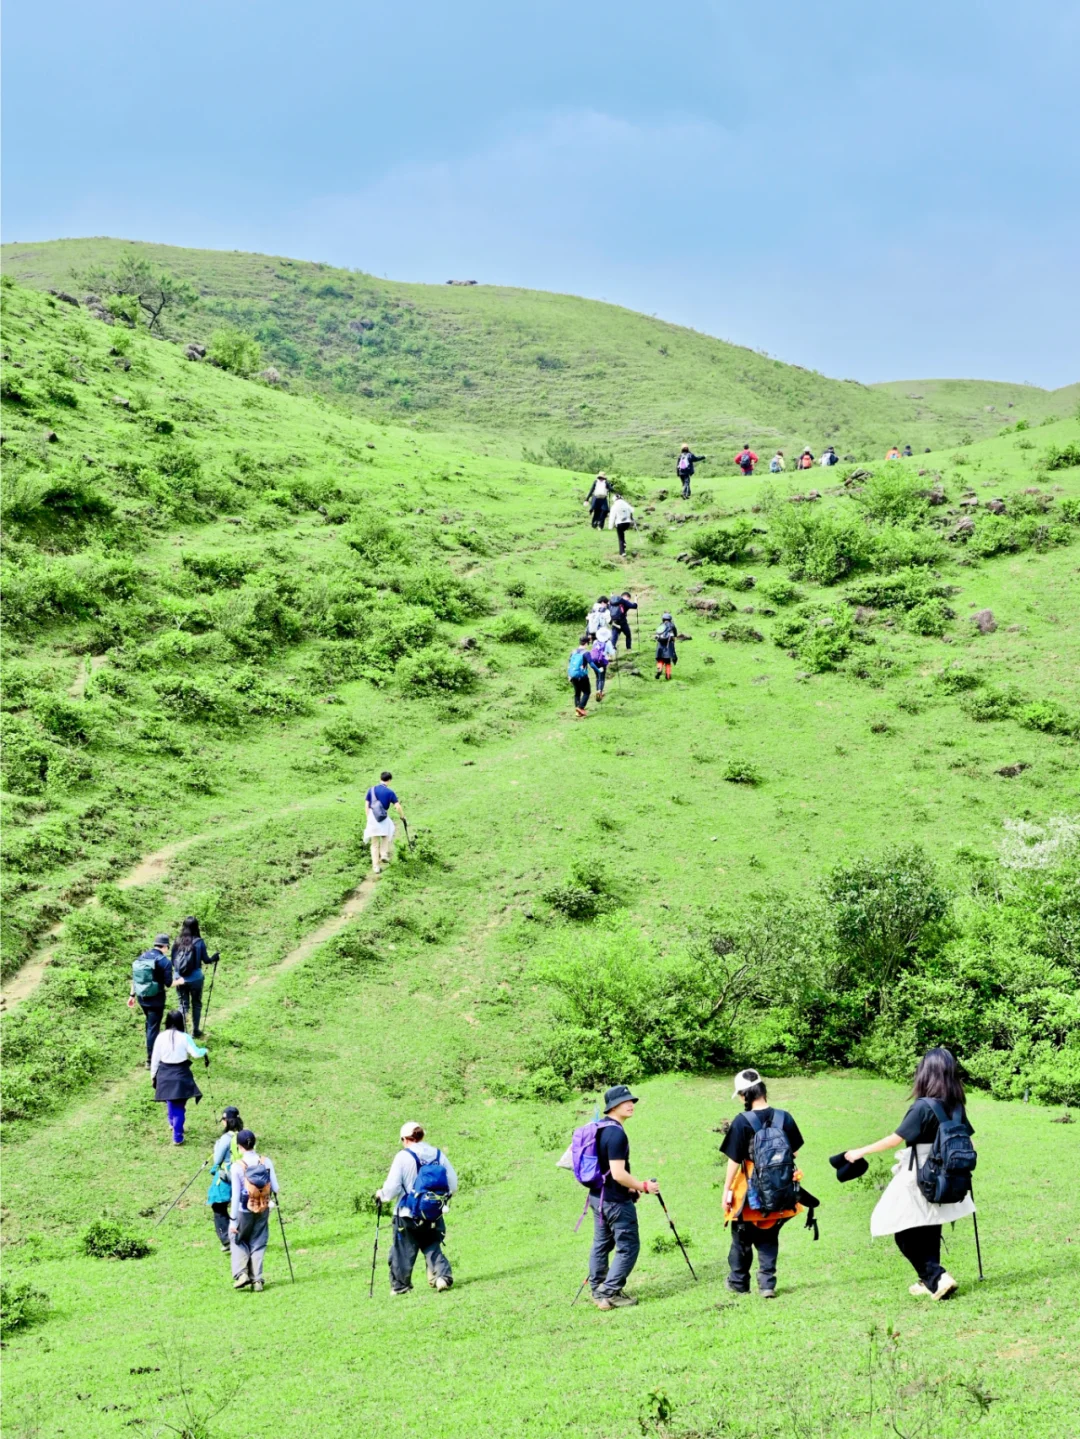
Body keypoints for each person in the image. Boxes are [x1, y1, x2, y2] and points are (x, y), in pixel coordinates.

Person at [843, 1047, 975, 1301]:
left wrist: (859, 1151)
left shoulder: (923, 1107)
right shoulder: (957, 1106)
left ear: (926, 1073)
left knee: (900, 1229)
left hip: (920, 1171)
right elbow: (967, 1139)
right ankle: (929, 1281)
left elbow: (895, 1139)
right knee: (929, 1224)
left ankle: (937, 1277)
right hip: (950, 1171)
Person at [720, 1069, 805, 1298]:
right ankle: (767, 1285)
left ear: (744, 1095)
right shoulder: (784, 1117)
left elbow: (734, 1160)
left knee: (741, 1238)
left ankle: (739, 1283)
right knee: (769, 1237)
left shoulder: (741, 1121)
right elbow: (794, 1151)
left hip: (749, 1191)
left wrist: (726, 1190)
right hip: (778, 1190)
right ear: (763, 1090)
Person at [587, 1085, 658, 1310]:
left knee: (601, 1244)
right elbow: (618, 1173)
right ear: (612, 1106)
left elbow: (609, 1172)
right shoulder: (616, 1133)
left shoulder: (598, 1128)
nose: (630, 1104)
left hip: (597, 1197)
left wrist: (630, 1187)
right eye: (624, 1101)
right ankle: (609, 1294)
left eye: (632, 1101)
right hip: (615, 1202)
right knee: (628, 1246)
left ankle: (598, 1290)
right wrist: (643, 1186)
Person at [376, 1121, 458, 1295]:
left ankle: (400, 1287)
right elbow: (453, 1184)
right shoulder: (438, 1154)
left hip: (407, 1213)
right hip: (432, 1213)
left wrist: (381, 1195)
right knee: (431, 1244)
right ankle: (442, 1276)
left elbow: (392, 1188)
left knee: (403, 1250)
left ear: (405, 1139)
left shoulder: (403, 1156)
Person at [229, 1129, 279, 1292]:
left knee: (237, 1238)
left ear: (239, 1147)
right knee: (258, 1241)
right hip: (263, 1208)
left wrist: (233, 1220)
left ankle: (241, 1273)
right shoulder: (266, 1161)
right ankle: (257, 1281)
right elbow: (276, 1188)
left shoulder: (237, 1167)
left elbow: (235, 1196)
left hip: (244, 1210)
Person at [150, 1009, 208, 1146]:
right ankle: (177, 1136)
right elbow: (195, 1053)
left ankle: (171, 1122)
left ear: (167, 1022)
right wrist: (204, 1050)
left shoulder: (160, 1037)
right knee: (179, 1107)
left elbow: (155, 1059)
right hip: (181, 1074)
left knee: (171, 1100)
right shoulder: (185, 1037)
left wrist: (153, 1075)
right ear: (181, 1022)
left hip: (164, 1073)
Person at [128, 934, 173, 1067]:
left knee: (150, 1024)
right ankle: (151, 1060)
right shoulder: (165, 961)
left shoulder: (142, 957)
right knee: (153, 1028)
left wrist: (131, 996)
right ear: (165, 946)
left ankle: (153, 1053)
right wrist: (181, 981)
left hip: (142, 998)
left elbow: (136, 978)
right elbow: (169, 983)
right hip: (156, 1000)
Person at [207, 1106, 244, 1251]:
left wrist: (217, 1147)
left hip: (225, 1177)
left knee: (218, 1206)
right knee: (236, 1207)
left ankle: (227, 1239)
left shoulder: (226, 1138)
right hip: (241, 1176)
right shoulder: (243, 1135)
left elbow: (217, 1159)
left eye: (223, 1119)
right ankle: (238, 1237)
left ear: (227, 1121)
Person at [171, 916, 210, 1038]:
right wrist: (215, 957)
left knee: (183, 1005)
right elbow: (206, 960)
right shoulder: (199, 942)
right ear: (196, 927)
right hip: (196, 979)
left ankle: (180, 1032)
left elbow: (173, 961)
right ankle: (196, 1031)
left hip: (179, 979)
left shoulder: (177, 941)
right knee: (196, 1004)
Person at [364, 771, 405, 876]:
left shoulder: (371, 790)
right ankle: (383, 854)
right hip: (382, 818)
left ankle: (376, 867)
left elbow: (366, 805)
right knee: (386, 836)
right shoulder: (390, 792)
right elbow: (398, 806)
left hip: (372, 818)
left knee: (374, 844)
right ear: (389, 780)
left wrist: (369, 818)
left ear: (380, 778)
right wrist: (402, 816)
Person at [568, 636, 593, 717]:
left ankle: (577, 711)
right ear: (586, 643)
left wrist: (569, 674)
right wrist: (598, 671)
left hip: (572, 675)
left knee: (577, 693)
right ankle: (580, 707)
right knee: (587, 692)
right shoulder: (586, 653)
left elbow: (570, 663)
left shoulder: (573, 651)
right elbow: (591, 664)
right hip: (582, 676)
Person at [588, 631, 611, 703]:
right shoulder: (607, 643)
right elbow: (608, 654)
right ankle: (600, 691)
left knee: (597, 677)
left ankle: (597, 690)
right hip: (601, 662)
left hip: (594, 661)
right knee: (602, 678)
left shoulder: (595, 642)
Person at [655, 612, 677, 680]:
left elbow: (657, 634)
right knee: (667, 661)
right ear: (670, 619)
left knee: (660, 659)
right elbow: (675, 634)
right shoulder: (672, 625)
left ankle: (660, 669)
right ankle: (668, 676)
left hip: (660, 645)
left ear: (663, 619)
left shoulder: (661, 625)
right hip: (668, 646)